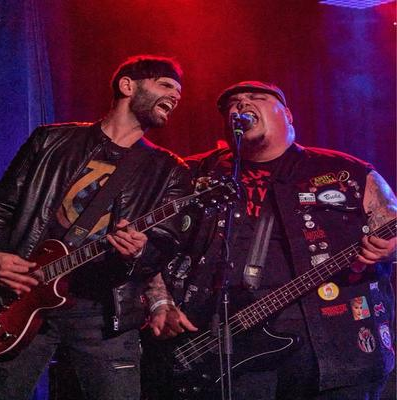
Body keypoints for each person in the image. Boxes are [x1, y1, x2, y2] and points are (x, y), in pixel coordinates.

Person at [144, 81, 396, 400]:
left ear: (287, 115)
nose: (241, 104)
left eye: (257, 97)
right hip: (222, 344)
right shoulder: (191, 174)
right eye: (233, 103)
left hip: (336, 345)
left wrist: (391, 248)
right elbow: (150, 244)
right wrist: (159, 301)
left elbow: (392, 227)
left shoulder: (346, 171)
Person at [0, 55, 197, 400]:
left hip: (103, 311)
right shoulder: (50, 140)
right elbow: (2, 208)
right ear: (127, 86)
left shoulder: (169, 170)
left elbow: (165, 245)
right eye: (165, 85)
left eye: (179, 92)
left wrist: (140, 251)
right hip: (23, 295)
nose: (176, 96)